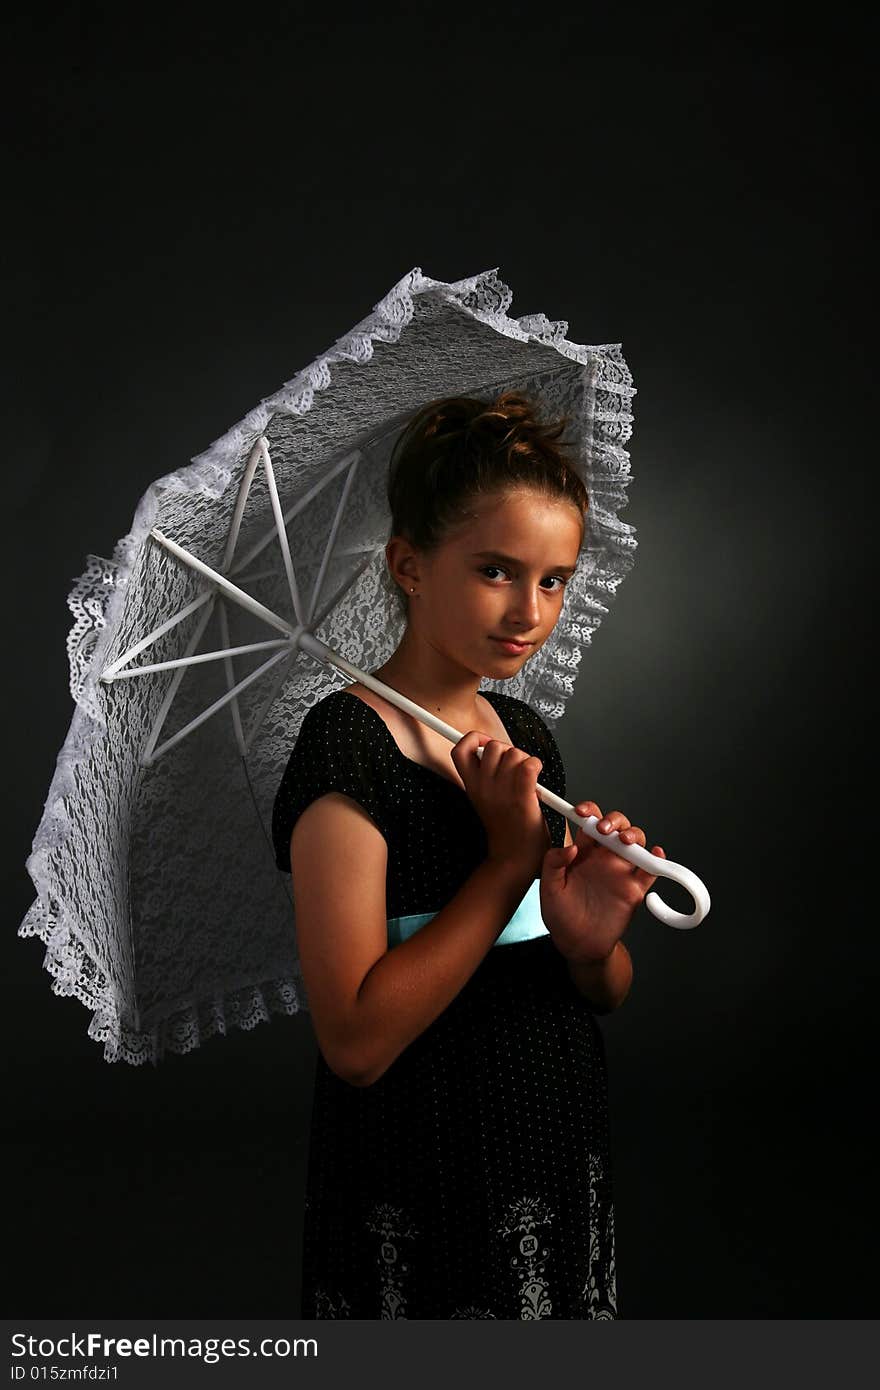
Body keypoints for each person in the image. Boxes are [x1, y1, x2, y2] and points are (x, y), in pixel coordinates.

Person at [271, 390, 666, 1319]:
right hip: (423, 1159)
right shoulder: (347, 751)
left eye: (556, 578)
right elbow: (357, 1045)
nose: (530, 610)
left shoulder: (521, 734)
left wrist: (587, 938)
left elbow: (602, 991)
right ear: (408, 565)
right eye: (496, 570)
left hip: (551, 1136)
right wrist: (505, 864)